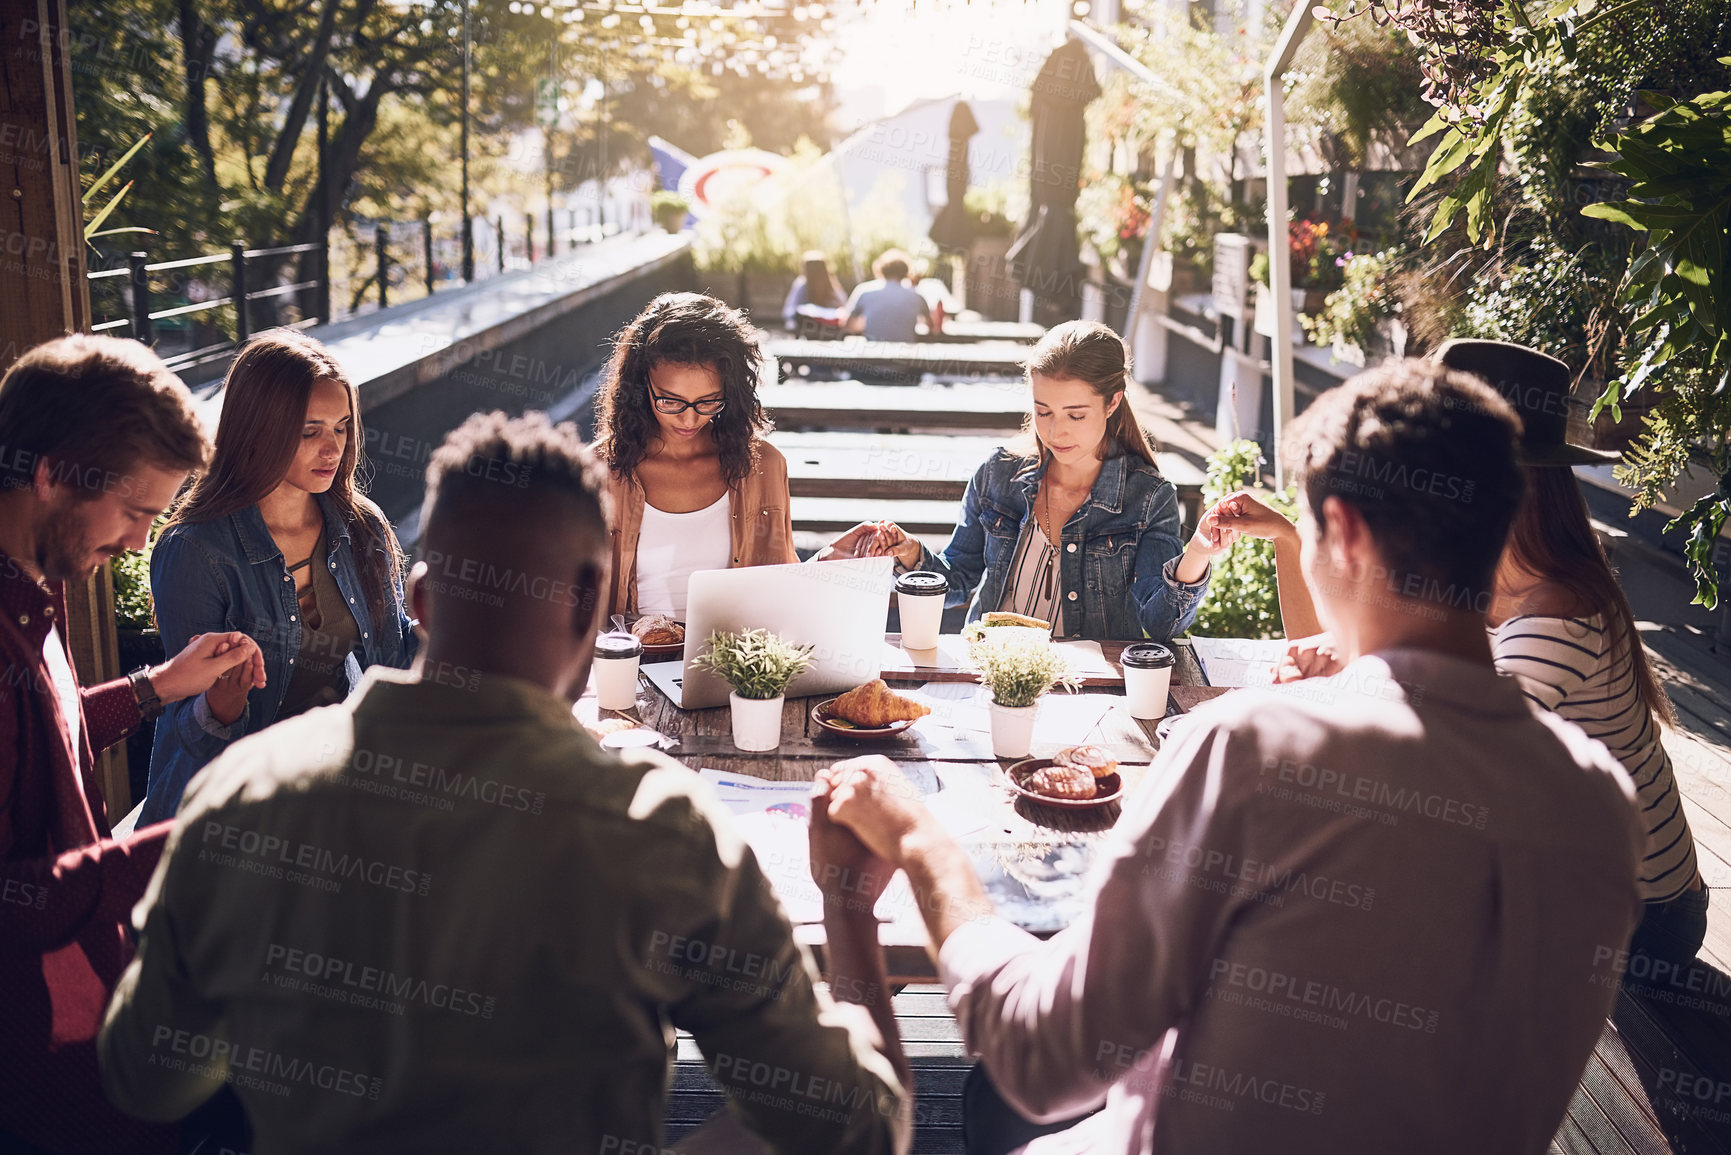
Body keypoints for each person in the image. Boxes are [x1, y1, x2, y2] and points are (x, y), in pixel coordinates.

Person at [807, 359, 1645, 1154]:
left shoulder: (1256, 745)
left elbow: (1039, 1058)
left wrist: (919, 843)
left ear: (1342, 532)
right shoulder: (1599, 801)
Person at [99, 411, 910, 1153]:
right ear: (593, 604)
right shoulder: (659, 831)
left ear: (418, 598)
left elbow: (148, 1079)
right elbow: (856, 1130)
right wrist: (846, 906)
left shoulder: (240, 796)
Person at [1268, 340, 1705, 968]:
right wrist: (1345, 650)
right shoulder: (1481, 580)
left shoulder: (1559, 610)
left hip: (1644, 914)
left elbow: (1452, 742)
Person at [0, 335, 264, 1153]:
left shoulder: (36, 590)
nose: (142, 541)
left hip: (93, 995)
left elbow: (43, 729)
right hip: (40, 1061)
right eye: (136, 511)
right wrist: (200, 841)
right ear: (51, 472)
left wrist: (156, 686)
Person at [140, 329, 417, 826]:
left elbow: (394, 659)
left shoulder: (362, 526)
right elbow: (183, 722)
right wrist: (221, 707)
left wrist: (450, 629)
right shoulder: (195, 551)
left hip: (343, 791)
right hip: (238, 812)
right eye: (309, 431)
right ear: (258, 430)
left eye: (342, 427)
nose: (332, 448)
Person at [820, 321, 1224, 640]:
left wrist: (1198, 553)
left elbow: (1162, 624)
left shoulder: (1149, 497)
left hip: (1089, 694)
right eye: (1043, 411)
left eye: (1076, 415)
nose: (1056, 431)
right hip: (989, 675)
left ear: (1113, 401)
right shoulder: (999, 474)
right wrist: (908, 553)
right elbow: (959, 580)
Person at [593, 292, 797, 620]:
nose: (690, 420)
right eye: (670, 402)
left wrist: (834, 557)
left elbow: (784, 586)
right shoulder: (598, 471)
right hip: (630, 664)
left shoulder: (765, 466)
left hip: (732, 665)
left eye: (708, 402)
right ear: (641, 384)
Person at [841, 250, 936, 341]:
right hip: (905, 353)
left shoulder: (864, 292)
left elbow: (848, 325)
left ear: (881, 270)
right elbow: (932, 326)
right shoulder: (917, 297)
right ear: (906, 271)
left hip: (873, 353)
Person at [783, 250, 848, 330]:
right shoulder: (802, 285)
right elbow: (788, 312)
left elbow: (843, 310)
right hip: (807, 326)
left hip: (826, 328)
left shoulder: (831, 285)